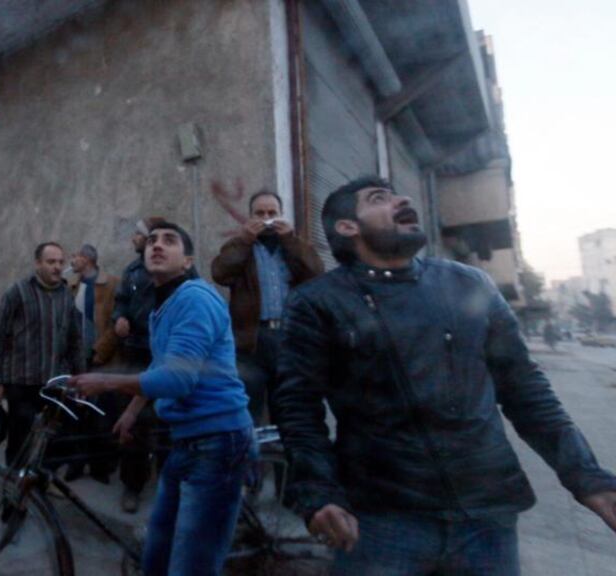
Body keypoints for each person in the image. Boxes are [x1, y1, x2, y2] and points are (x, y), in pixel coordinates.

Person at [275, 176, 616, 574]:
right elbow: (297, 408)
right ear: (347, 227)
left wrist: (585, 475)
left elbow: (525, 390)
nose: (402, 200)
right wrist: (317, 493)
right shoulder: (318, 303)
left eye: (397, 193)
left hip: (487, 515)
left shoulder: (469, 283)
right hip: (383, 519)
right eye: (379, 198)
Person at [71, 221, 256, 576]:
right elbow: (162, 364)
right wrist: (132, 410)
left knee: (191, 564)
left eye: (169, 241)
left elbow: (178, 378)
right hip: (185, 441)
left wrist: (105, 381)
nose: (156, 245)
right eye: (152, 241)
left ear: (187, 261)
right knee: (158, 550)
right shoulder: (162, 307)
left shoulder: (195, 298)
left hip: (217, 440)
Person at [211, 188, 323, 424]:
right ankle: (253, 456)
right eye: (259, 213)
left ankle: (287, 456)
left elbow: (316, 275)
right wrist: (244, 240)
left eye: (272, 212)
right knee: (248, 405)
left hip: (289, 335)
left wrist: (290, 240)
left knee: (289, 404)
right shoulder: (240, 246)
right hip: (252, 338)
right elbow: (220, 273)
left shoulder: (293, 245)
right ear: (250, 217)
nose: (266, 218)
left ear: (281, 215)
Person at [0, 242, 84, 467]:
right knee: (20, 444)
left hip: (52, 385)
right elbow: (0, 338)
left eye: (60, 262)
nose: (57, 267)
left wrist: (79, 377)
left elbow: (75, 340)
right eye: (51, 262)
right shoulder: (17, 292)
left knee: (49, 444)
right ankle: (13, 498)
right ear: (38, 263)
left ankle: (36, 491)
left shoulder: (66, 296)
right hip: (21, 383)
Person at [110, 217, 169, 513]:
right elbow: (120, 302)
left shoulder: (174, 268)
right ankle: (132, 486)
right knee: (132, 425)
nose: (134, 238)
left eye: (139, 234)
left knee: (167, 422)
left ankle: (168, 485)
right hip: (135, 355)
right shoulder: (131, 271)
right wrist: (119, 318)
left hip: (165, 356)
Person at [63, 243, 120, 483]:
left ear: (87, 259)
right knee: (76, 412)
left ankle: (100, 466)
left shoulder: (112, 285)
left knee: (102, 415)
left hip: (102, 360)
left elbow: (116, 323)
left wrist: (100, 352)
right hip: (78, 361)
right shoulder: (71, 287)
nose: (71, 261)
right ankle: (76, 462)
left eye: (74, 256)